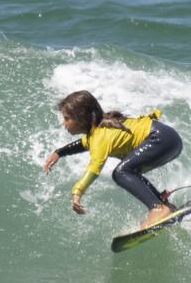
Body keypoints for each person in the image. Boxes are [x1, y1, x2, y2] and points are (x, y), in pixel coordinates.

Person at [43, 90, 183, 229]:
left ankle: (158, 209)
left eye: (67, 118)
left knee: (121, 172)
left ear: (81, 117)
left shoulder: (100, 137)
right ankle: (164, 205)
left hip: (161, 139)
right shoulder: (99, 131)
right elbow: (83, 144)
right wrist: (59, 152)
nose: (64, 123)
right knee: (130, 171)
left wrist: (77, 193)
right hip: (169, 139)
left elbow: (94, 167)